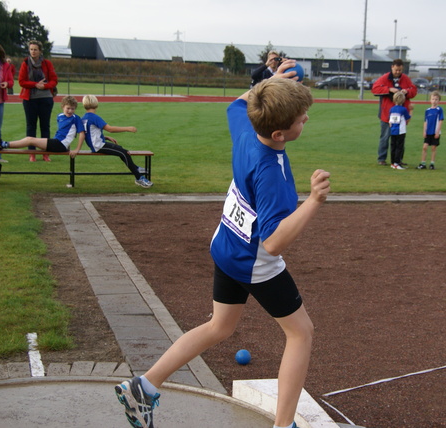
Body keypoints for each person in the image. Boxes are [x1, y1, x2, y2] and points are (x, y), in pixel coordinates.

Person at [114, 62, 330, 428]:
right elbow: (275, 242)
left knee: (219, 326)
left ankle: (143, 386)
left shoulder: (246, 126)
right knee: (300, 332)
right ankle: (284, 425)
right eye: (300, 118)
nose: (305, 118)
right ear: (279, 133)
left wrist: (271, 83)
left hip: (227, 246)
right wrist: (312, 202)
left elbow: (238, 103)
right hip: (253, 262)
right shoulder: (273, 174)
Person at [70, 94, 153, 188]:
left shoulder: (85, 117)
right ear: (96, 103)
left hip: (97, 145)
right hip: (98, 146)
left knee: (121, 150)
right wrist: (128, 128)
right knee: (124, 153)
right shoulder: (94, 117)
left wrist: (105, 137)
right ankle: (138, 177)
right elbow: (110, 129)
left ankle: (136, 169)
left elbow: (89, 133)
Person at [0, 96, 84, 154]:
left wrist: (77, 149)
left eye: (73, 108)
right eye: (68, 108)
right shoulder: (60, 116)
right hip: (57, 142)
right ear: (62, 107)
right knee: (30, 139)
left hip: (60, 145)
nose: (70, 111)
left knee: (30, 140)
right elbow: (65, 132)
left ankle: (2, 144)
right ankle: (1, 144)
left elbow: (81, 134)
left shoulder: (76, 118)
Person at [371, 58, 417, 165]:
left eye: (400, 70)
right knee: (385, 137)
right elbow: (375, 89)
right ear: (392, 67)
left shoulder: (405, 79)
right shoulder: (384, 78)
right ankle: (381, 158)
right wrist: (389, 89)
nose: (398, 72)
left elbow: (414, 91)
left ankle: (398, 159)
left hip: (400, 115)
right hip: (387, 114)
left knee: (400, 139)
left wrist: (407, 91)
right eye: (396, 70)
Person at [18, 40, 58, 162]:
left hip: (45, 98)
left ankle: (45, 153)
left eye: (35, 49)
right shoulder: (25, 63)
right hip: (30, 99)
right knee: (31, 126)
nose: (33, 52)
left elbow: (54, 80)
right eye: (31, 49)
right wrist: (35, 84)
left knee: (45, 126)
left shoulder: (47, 64)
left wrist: (44, 86)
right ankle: (32, 153)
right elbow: (21, 81)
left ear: (40, 51)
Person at [417, 91, 444, 170]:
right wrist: (424, 131)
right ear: (430, 100)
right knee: (425, 147)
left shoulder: (439, 109)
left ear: (439, 101)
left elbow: (441, 120)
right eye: (433, 99)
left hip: (435, 132)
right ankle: (423, 163)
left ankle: (432, 163)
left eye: (436, 99)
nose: (434, 101)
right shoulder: (427, 110)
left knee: (433, 148)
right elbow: (425, 121)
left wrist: (438, 131)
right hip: (428, 132)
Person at [388, 91, 411, 169]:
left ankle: (392, 162)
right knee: (399, 147)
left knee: (393, 147)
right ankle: (397, 162)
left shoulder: (392, 109)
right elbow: (407, 119)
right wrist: (411, 111)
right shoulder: (403, 109)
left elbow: (390, 120)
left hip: (393, 130)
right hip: (400, 131)